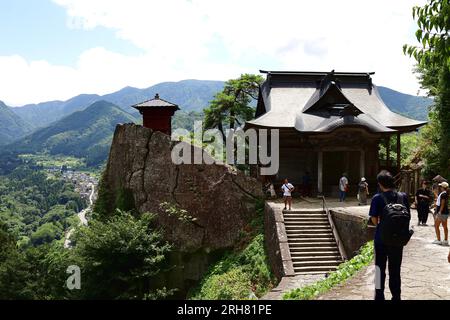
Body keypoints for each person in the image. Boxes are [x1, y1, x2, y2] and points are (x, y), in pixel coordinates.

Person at [369, 170, 410, 301]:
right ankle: (396, 296)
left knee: (379, 269)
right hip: (398, 239)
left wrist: (383, 226)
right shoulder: (403, 196)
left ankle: (379, 296)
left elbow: (374, 219)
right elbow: (408, 216)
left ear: (380, 184)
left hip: (381, 239)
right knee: (395, 270)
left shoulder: (377, 198)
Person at [433, 181, 449, 246]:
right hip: (445, 212)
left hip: (441, 212)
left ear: (443, 187)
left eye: (440, 186)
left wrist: (439, 212)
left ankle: (439, 240)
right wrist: (435, 193)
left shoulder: (443, 194)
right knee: (445, 226)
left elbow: (442, 203)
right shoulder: (444, 193)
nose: (440, 187)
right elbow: (440, 201)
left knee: (436, 225)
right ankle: (445, 240)